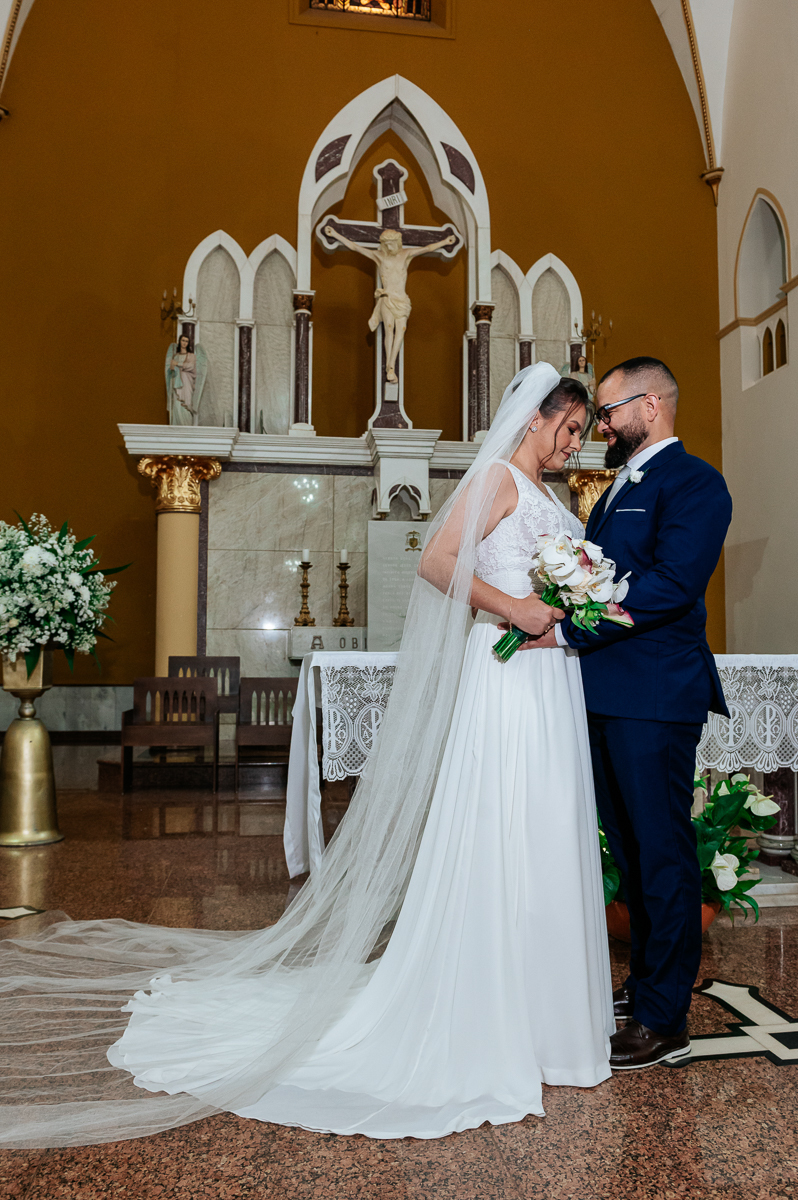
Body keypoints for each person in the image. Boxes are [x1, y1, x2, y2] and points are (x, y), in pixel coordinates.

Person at [0, 363, 614, 1148]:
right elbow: (437, 561)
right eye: (566, 429)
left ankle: (547, 1014)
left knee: (546, 836)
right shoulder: (497, 477)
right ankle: (488, 1002)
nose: (572, 445)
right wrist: (517, 608)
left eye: (579, 434)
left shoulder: (552, 497)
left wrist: (576, 603)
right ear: (533, 419)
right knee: (504, 830)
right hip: (508, 683)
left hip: (550, 680)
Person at [519, 356, 732, 1070]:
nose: (602, 426)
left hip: (655, 697)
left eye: (609, 413)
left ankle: (664, 1015)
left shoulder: (697, 483)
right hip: (605, 694)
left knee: (663, 851)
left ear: (652, 406)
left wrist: (573, 629)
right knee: (634, 852)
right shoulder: (613, 489)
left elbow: (670, 584)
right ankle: (645, 985)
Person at [324, 225, 457, 382]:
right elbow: (355, 247)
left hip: (401, 299)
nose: (388, 247)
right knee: (389, 330)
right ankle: (390, 367)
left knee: (401, 330)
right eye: (386, 244)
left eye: (391, 244)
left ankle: (390, 365)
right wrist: (336, 234)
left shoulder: (406, 255)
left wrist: (444, 242)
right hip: (386, 298)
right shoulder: (379, 256)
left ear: (397, 242)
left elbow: (427, 248)